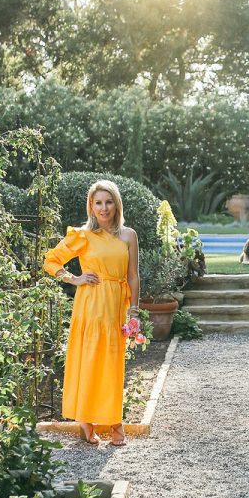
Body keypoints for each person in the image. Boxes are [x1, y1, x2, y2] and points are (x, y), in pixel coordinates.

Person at [43, 179, 140, 446]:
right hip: (90, 305)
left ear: (116, 204)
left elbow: (133, 277)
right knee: (89, 362)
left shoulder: (128, 235)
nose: (104, 208)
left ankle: (114, 421)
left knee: (113, 364)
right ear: (91, 205)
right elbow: (51, 260)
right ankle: (86, 421)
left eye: (109, 202)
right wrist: (74, 279)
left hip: (116, 307)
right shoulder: (83, 235)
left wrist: (135, 312)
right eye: (98, 202)